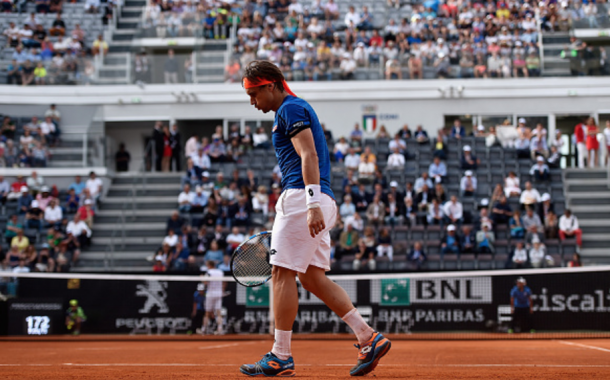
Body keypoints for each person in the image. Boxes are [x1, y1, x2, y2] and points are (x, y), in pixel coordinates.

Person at [241, 61, 389, 377]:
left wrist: (310, 204)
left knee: (281, 273)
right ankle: (367, 336)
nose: (253, 103)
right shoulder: (293, 108)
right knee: (311, 277)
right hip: (319, 199)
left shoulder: (289, 109)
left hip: (303, 198)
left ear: (270, 86)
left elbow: (309, 155)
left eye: (254, 95)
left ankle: (280, 355)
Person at [202, 260, 225, 335]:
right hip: (219, 293)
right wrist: (222, 291)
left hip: (210, 293)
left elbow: (205, 282)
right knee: (218, 312)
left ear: (209, 265)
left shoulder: (208, 272)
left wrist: (201, 278)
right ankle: (220, 329)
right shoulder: (220, 272)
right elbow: (224, 282)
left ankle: (204, 329)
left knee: (207, 312)